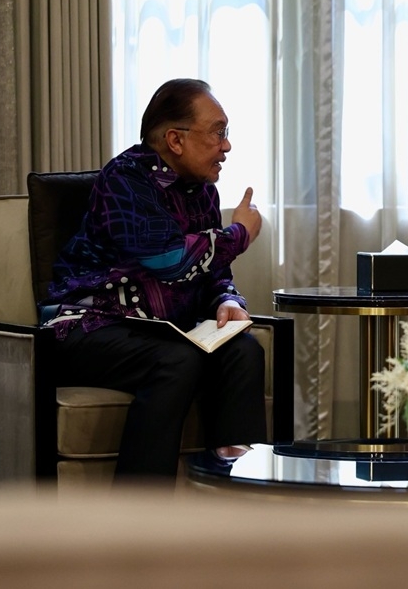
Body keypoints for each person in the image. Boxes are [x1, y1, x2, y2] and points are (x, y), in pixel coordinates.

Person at [40, 78, 266, 483]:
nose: (226, 146)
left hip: (158, 332)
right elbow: (171, 261)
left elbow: (213, 272)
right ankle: (140, 515)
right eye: (218, 132)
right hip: (87, 327)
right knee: (176, 360)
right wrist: (239, 235)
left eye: (225, 133)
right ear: (175, 140)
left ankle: (232, 487)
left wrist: (226, 300)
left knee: (244, 350)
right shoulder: (125, 180)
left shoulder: (203, 192)